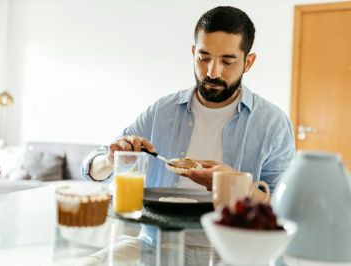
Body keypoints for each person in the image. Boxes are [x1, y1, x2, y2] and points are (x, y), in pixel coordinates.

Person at [82, 6, 295, 197]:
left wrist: (235, 186)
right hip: (156, 238)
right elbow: (92, 170)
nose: (212, 72)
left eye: (227, 61)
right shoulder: (161, 111)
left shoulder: (273, 124)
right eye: (204, 58)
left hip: (229, 240)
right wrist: (110, 160)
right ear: (193, 53)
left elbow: (285, 206)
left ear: (248, 63)